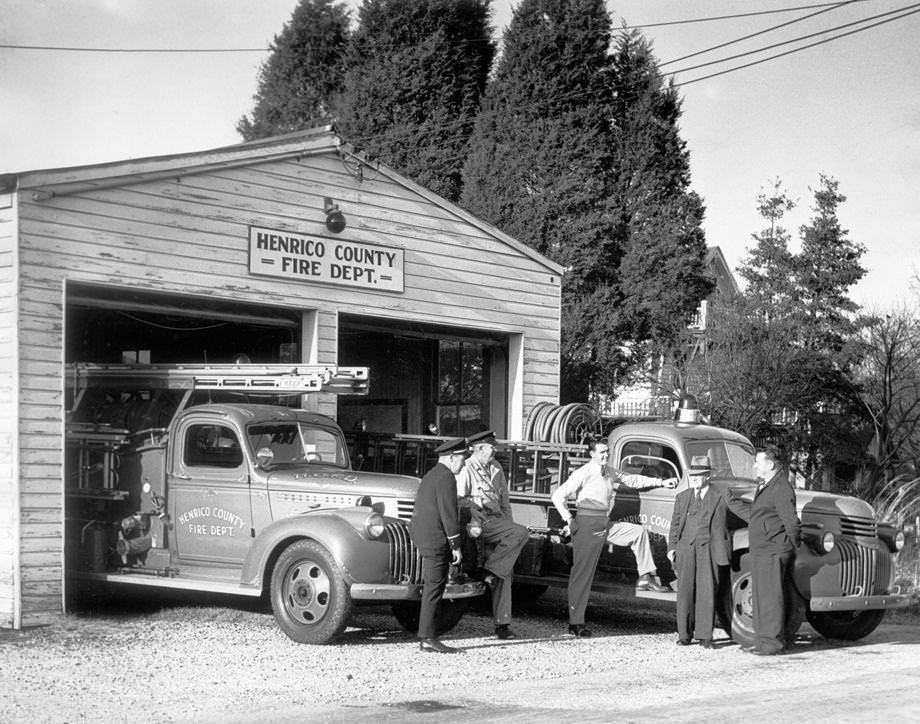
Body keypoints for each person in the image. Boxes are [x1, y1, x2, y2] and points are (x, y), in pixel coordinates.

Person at [551, 438, 677, 637]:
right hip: (587, 525)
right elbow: (558, 496)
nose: (605, 456)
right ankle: (576, 623)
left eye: (607, 452)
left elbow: (633, 480)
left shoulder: (610, 471)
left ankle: (646, 577)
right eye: (601, 452)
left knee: (638, 532)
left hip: (604, 523)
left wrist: (661, 482)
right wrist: (570, 520)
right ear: (592, 454)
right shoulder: (583, 472)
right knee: (582, 576)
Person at [726, 444, 801, 656]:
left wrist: (792, 545)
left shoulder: (781, 488)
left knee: (770, 599)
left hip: (773, 550)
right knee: (760, 597)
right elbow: (757, 515)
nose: (754, 466)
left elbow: (792, 522)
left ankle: (772, 644)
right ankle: (761, 640)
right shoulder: (767, 485)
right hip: (763, 550)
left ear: (769, 464)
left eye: (758, 462)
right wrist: (731, 502)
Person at [456, 429, 529, 640]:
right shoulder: (466, 468)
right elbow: (458, 500)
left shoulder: (496, 468)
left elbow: (505, 502)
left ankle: (502, 625)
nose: (494, 450)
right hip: (478, 523)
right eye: (490, 446)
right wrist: (475, 507)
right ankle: (489, 570)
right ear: (479, 449)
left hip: (497, 524)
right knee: (522, 532)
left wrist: (508, 528)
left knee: (504, 572)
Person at [409, 437, 469, 654]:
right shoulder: (446, 477)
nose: (463, 464)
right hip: (436, 540)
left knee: (432, 588)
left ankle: (428, 635)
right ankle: (428, 638)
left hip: (425, 537)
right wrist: (456, 544)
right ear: (452, 457)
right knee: (434, 589)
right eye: (462, 459)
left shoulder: (431, 475)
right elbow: (449, 513)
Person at [667, 455, 730, 649]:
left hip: (709, 549)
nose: (694, 478)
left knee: (707, 591)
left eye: (699, 475)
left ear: (708, 476)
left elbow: (739, 513)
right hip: (686, 548)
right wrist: (671, 548)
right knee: (685, 591)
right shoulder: (683, 497)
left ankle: (705, 637)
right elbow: (675, 525)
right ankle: (684, 635)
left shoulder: (721, 495)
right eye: (692, 475)